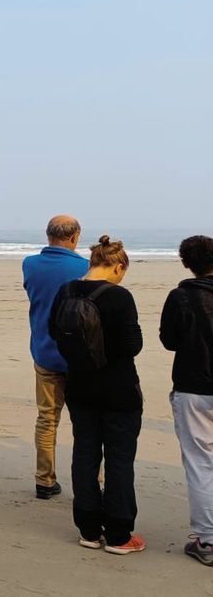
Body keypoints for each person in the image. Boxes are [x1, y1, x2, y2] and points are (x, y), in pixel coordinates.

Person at [51, 236, 145, 555]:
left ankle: (89, 530)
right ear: (118, 266)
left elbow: (54, 332)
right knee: (119, 459)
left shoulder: (66, 291)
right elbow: (133, 345)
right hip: (119, 389)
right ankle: (119, 535)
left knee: (85, 454)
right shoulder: (120, 296)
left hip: (79, 385)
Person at [22, 215, 88, 499]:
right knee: (85, 423)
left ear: (48, 235)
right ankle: (89, 482)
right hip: (79, 357)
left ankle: (44, 479)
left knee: (47, 418)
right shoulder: (85, 267)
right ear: (74, 237)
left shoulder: (30, 264)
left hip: (44, 350)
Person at [160, 235, 213, 565]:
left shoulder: (180, 296)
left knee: (199, 461)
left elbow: (169, 340)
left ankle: (207, 539)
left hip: (193, 386)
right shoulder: (180, 296)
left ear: (186, 263)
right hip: (193, 385)